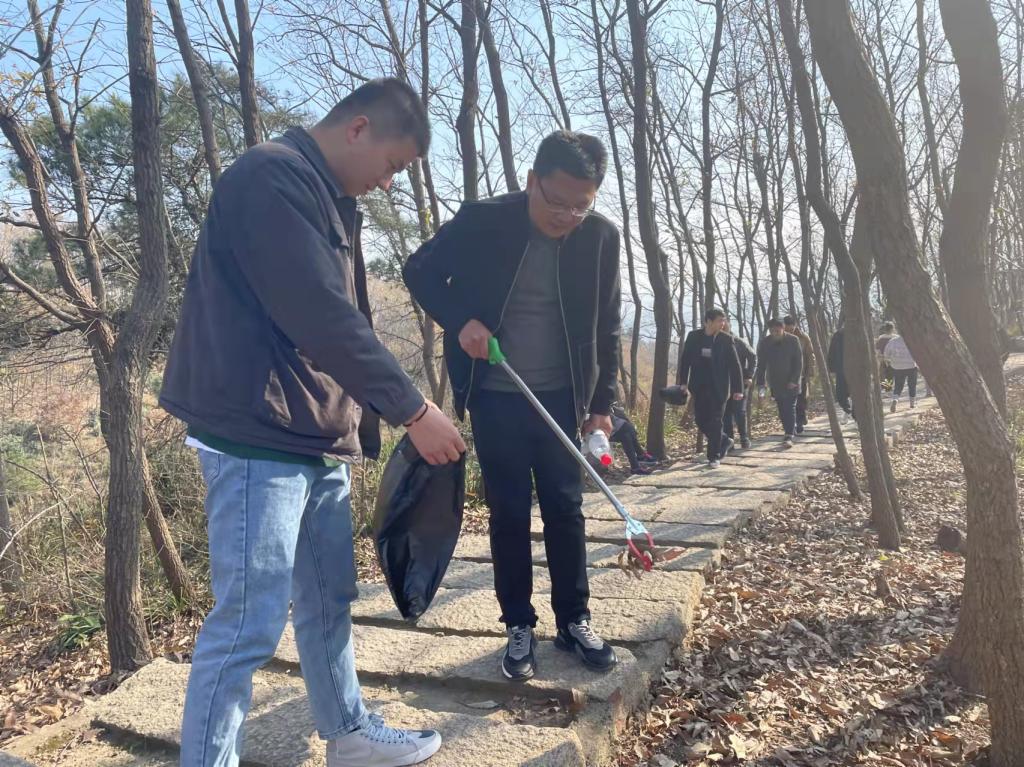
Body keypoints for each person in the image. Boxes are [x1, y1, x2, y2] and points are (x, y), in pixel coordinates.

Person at [160, 79, 467, 767]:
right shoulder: (269, 177)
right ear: (358, 128)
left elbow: (343, 320)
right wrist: (412, 409)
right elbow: (320, 316)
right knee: (248, 620)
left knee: (329, 598)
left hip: (314, 432)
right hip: (255, 433)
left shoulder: (330, 197)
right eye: (391, 165)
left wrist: (360, 423)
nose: (388, 183)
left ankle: (349, 732)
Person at [403, 130, 620, 682]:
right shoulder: (483, 221)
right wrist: (461, 320)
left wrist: (602, 405)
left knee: (566, 508)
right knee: (508, 510)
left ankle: (573, 620)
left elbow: (608, 325)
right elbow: (419, 269)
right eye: (558, 202)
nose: (568, 216)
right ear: (531, 181)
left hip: (563, 397)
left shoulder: (600, 237)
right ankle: (518, 624)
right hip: (496, 393)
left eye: (581, 205)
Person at [675, 308, 744, 468]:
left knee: (715, 421)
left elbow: (735, 366)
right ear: (708, 321)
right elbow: (685, 360)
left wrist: (738, 389)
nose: (723, 324)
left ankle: (714, 456)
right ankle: (724, 440)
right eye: (719, 320)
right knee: (700, 420)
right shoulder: (694, 337)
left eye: (723, 320)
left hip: (719, 388)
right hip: (699, 386)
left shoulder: (726, 339)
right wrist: (683, 382)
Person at [755, 318, 803, 448]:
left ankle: (789, 435)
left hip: (792, 381)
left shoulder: (793, 340)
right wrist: (761, 385)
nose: (774, 333)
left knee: (790, 406)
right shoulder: (765, 342)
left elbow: (799, 362)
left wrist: (794, 380)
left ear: (783, 328)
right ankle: (789, 430)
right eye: (772, 331)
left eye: (777, 331)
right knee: (782, 408)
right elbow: (761, 365)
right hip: (775, 381)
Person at [722, 319, 756, 449]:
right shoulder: (715, 340)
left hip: (739, 382)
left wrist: (749, 375)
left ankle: (744, 437)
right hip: (723, 383)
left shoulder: (738, 341)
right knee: (725, 413)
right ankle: (729, 441)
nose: (723, 327)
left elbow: (753, 356)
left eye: (725, 324)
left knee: (739, 411)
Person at [783, 315, 815, 434]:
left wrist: (810, 371)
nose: (789, 332)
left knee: (801, 399)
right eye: (787, 329)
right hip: (785, 374)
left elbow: (810, 355)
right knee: (788, 400)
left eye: (791, 329)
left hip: (801, 373)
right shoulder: (780, 337)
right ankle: (792, 423)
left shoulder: (803, 337)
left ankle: (800, 422)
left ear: (795, 326)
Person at [609, 403, 656, 475]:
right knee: (625, 432)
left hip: (606, 417)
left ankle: (639, 459)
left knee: (628, 428)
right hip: (600, 423)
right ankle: (637, 463)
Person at [882, 331, 918, 412]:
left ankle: (894, 399)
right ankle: (912, 404)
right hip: (911, 365)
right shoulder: (912, 340)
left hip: (896, 366)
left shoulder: (891, 340)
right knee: (912, 385)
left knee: (897, 385)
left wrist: (888, 360)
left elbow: (885, 354)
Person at [827, 322, 854, 423]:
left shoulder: (857, 333)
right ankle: (848, 411)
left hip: (856, 369)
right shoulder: (837, 335)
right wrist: (831, 368)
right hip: (841, 369)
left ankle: (855, 417)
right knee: (841, 395)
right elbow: (832, 351)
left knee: (856, 394)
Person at [876, 321, 896, 388]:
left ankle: (886, 388)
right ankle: (888, 388)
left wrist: (879, 357)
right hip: (894, 358)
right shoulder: (896, 337)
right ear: (892, 328)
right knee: (891, 374)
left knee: (884, 374)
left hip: (883, 358)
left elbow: (878, 349)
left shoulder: (881, 337)